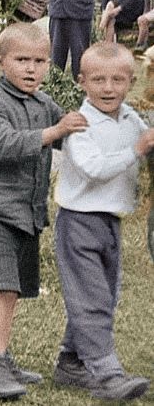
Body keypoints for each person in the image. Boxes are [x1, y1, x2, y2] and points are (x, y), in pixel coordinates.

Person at [0, 23, 87, 399]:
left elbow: (72, 126)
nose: (32, 69)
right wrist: (55, 132)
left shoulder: (44, 104)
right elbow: (5, 144)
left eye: (40, 61)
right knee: (4, 288)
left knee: (5, 290)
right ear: (0, 63)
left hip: (26, 215)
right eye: (22, 60)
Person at [52, 42, 153, 401]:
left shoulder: (130, 118)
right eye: (98, 80)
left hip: (110, 222)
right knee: (91, 297)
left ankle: (72, 361)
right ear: (81, 81)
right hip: (79, 222)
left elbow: (148, 139)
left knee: (102, 296)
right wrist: (136, 150)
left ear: (130, 82)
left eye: (117, 80)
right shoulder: (79, 123)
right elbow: (94, 169)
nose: (108, 88)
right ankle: (107, 374)